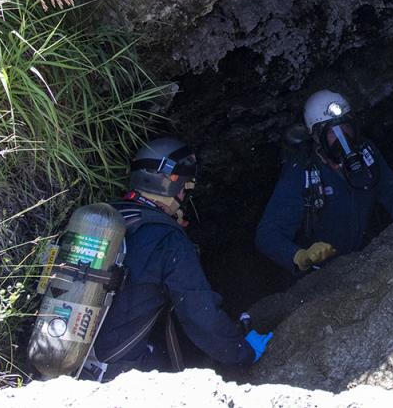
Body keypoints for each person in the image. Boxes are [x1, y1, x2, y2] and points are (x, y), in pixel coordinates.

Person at [91, 137, 272, 380]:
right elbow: (200, 315)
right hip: (118, 370)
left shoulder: (107, 216)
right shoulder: (166, 237)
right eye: (185, 187)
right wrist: (241, 351)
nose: (185, 196)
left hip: (72, 355)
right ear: (171, 184)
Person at [256, 89, 393, 275]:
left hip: (361, 260)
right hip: (321, 275)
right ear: (317, 137)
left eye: (346, 128)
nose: (343, 138)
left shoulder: (367, 154)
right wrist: (300, 256)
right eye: (332, 132)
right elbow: (268, 233)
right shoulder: (303, 172)